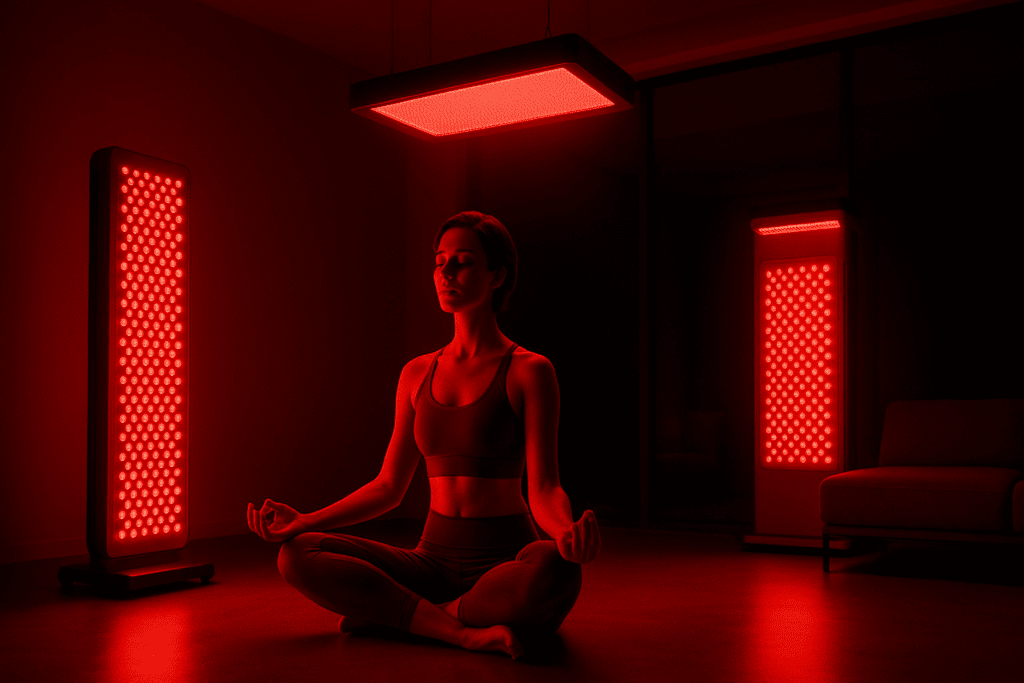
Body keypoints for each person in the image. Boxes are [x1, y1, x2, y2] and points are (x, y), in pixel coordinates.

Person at [247, 211, 600, 659]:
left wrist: (566, 533)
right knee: (297, 555)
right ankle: (459, 629)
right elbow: (389, 487)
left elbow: (545, 487)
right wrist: (305, 520)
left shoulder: (530, 370)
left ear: (497, 276)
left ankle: (404, 616)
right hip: (430, 558)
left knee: (557, 568)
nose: (446, 273)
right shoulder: (416, 373)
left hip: (504, 561)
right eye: (440, 261)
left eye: (463, 262)